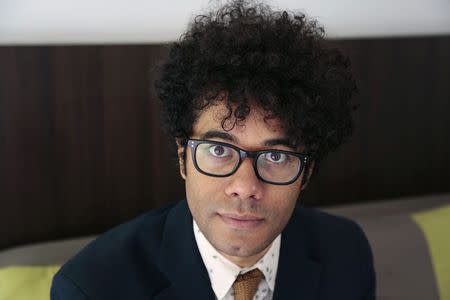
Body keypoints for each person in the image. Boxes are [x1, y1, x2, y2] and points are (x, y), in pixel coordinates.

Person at [51, 1, 375, 299]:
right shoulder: (91, 289)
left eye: (276, 156)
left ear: (307, 173)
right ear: (183, 157)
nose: (246, 188)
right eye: (220, 150)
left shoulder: (346, 251)